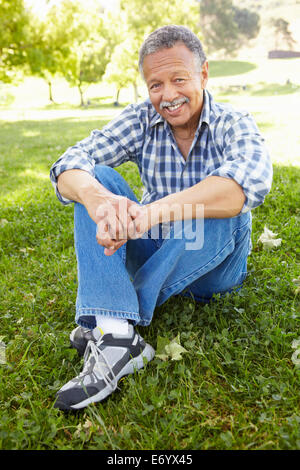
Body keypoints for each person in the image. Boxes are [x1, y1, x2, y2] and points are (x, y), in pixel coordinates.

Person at [50, 25, 272, 410]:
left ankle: (105, 316)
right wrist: (99, 198)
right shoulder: (140, 120)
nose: (168, 96)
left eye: (179, 79)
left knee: (216, 202)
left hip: (214, 266)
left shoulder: (233, 122)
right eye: (155, 85)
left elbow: (246, 185)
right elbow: (69, 163)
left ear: (203, 74)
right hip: (154, 248)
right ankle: (119, 336)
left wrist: (151, 213)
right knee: (96, 179)